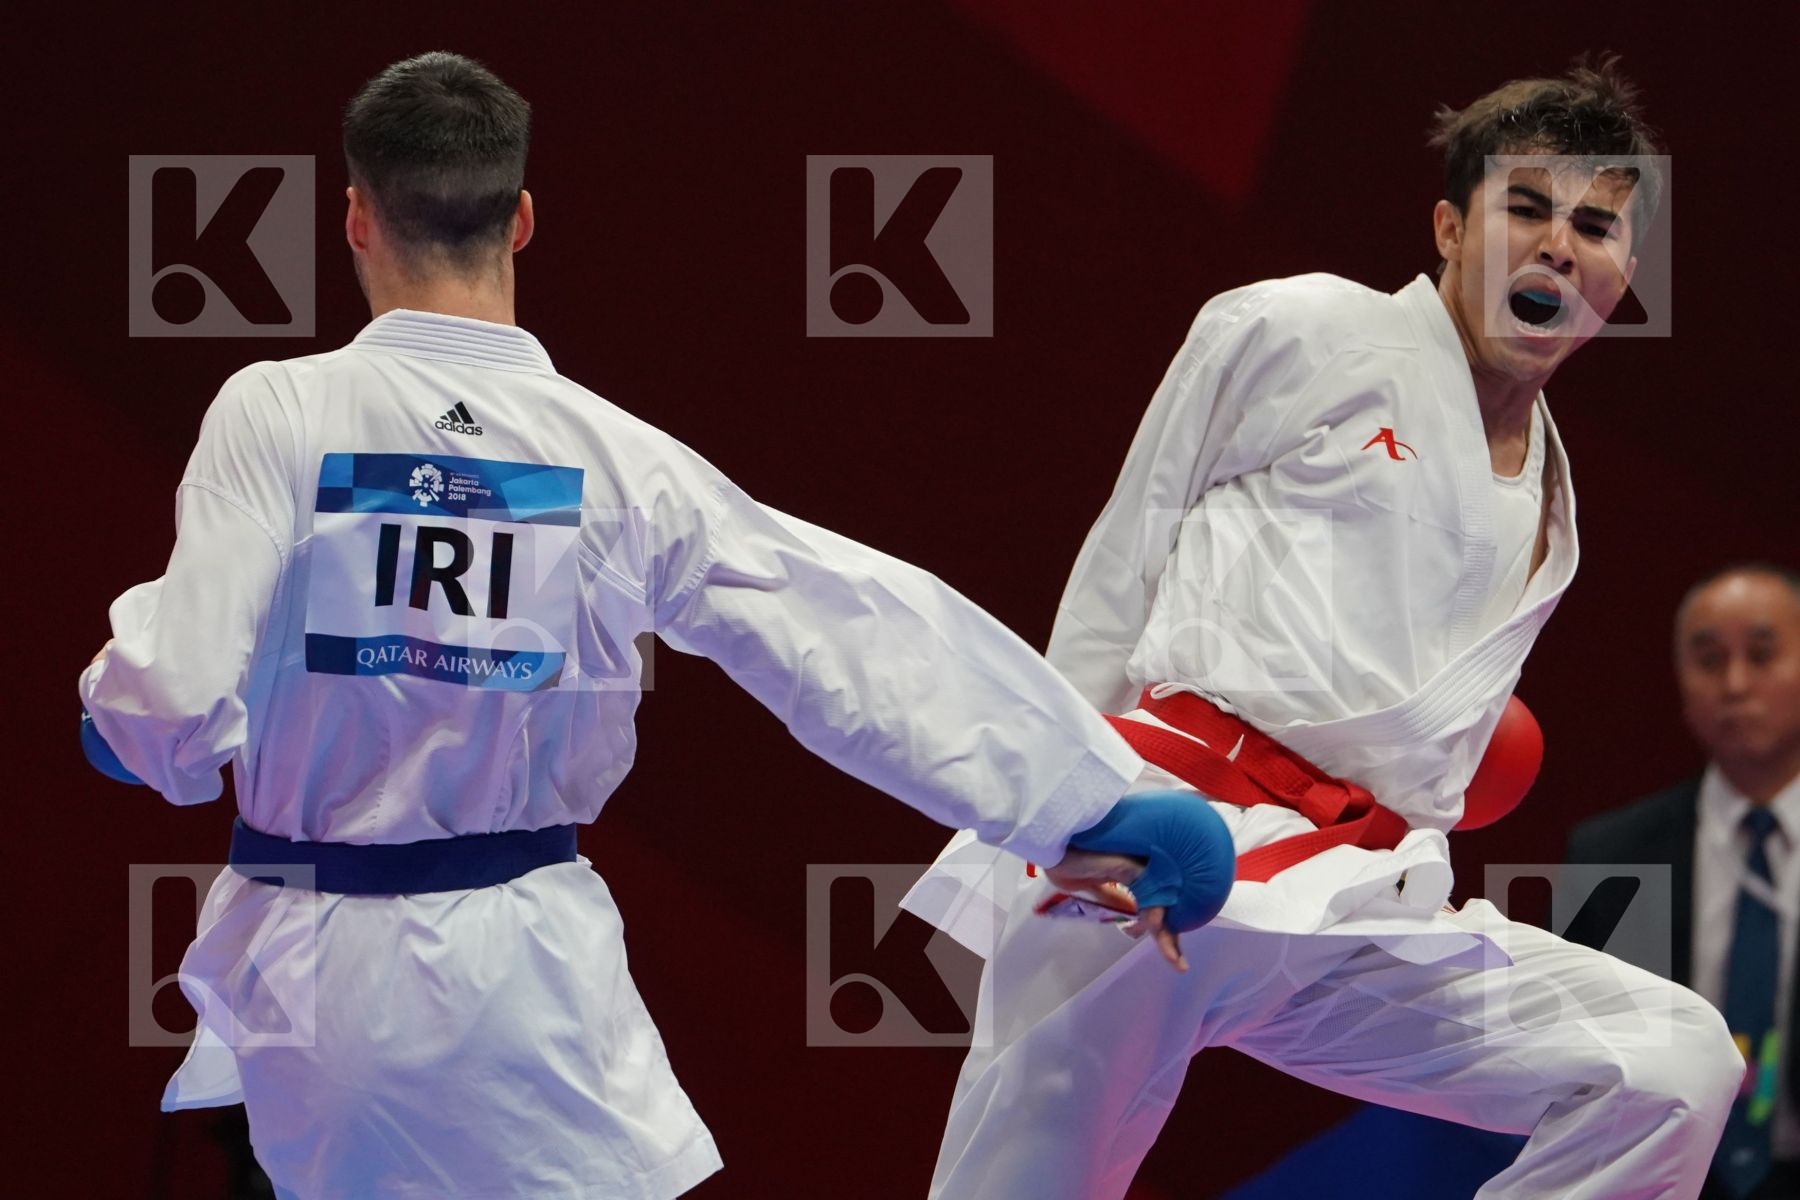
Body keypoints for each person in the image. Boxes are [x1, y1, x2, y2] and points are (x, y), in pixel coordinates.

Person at [79, 52, 1228, 1200]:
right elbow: (832, 627)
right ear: (521, 219)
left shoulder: (274, 411)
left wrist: (115, 718)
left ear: (354, 215)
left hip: (308, 989)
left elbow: (174, 701)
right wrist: (1092, 797)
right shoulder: (610, 456)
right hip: (515, 983)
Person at [903, 55, 1744, 1198]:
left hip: (1358, 903)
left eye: (1595, 226)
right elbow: (1122, 560)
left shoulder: (1553, 491)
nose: (1560, 244)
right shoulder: (1306, 329)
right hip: (1158, 844)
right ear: (1450, 227)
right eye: (1528, 207)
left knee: (1674, 1061)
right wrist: (1056, 806)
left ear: (1624, 275)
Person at [1567, 564, 1800, 1199]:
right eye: (1708, 660)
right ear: (1680, 684)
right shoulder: (1609, 859)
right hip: (1663, 1181)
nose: (1735, 683)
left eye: (1762, 654)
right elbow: (1574, 1064)